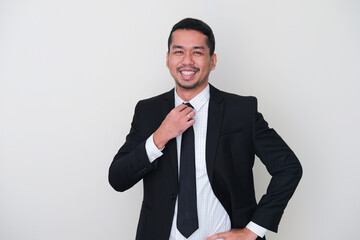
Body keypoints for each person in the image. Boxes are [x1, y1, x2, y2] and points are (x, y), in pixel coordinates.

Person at [108, 18, 302, 240]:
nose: (187, 61)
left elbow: (289, 168)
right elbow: (118, 179)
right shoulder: (148, 111)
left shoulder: (241, 111)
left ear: (213, 60)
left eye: (197, 52)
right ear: (168, 58)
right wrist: (160, 137)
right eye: (178, 52)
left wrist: (253, 231)